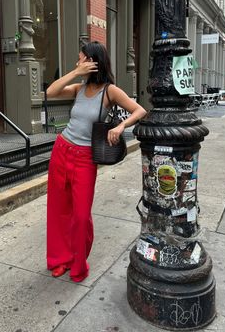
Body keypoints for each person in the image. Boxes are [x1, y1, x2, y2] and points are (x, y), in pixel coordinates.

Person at [46, 41, 147, 282]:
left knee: (81, 215)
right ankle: (60, 259)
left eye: (80, 59)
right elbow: (50, 92)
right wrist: (76, 73)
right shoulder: (78, 88)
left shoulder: (109, 91)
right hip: (62, 150)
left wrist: (121, 126)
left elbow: (140, 111)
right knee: (59, 210)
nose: (76, 62)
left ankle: (78, 262)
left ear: (93, 62)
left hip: (84, 159)